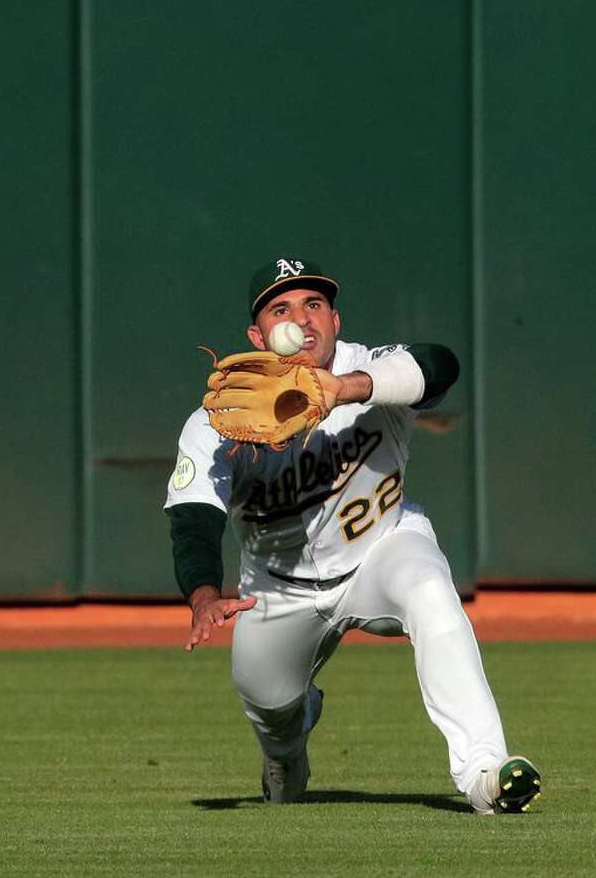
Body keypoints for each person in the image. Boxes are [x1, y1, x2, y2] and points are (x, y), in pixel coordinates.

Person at [164, 257, 541, 814]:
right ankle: (288, 749)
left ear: (335, 320)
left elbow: (439, 365)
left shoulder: (372, 369)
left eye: (314, 304)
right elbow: (193, 519)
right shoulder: (218, 420)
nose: (303, 319)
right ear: (257, 334)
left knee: (431, 594)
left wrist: (346, 388)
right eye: (282, 308)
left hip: (383, 552)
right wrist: (201, 595)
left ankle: (485, 771)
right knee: (270, 707)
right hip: (276, 588)